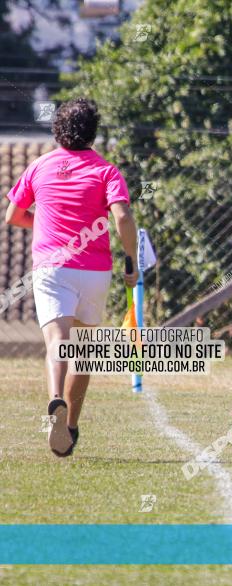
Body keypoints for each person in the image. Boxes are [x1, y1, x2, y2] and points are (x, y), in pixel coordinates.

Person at [4, 98, 138, 457]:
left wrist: (43, 223)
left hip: (52, 268)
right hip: (94, 272)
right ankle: (72, 426)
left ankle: (55, 400)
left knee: (57, 343)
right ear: (93, 132)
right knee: (84, 351)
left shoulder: (39, 166)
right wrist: (131, 258)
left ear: (56, 130)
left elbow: (13, 215)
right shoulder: (106, 171)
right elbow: (122, 217)